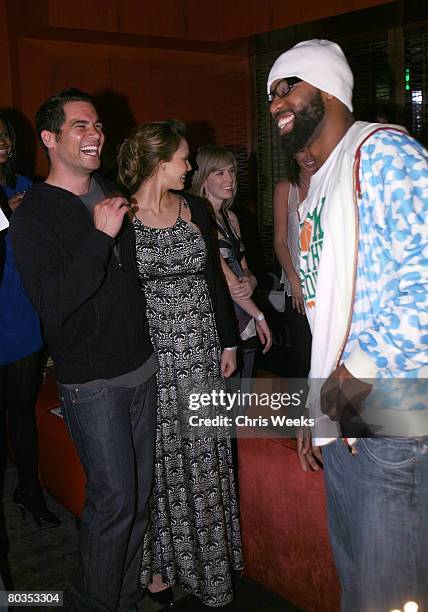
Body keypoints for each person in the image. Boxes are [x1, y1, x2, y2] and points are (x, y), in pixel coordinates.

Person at [267, 39, 428, 611]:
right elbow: (330, 316)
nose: (275, 101)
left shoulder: (385, 155)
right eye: (271, 92)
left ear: (329, 86)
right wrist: (323, 406)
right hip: (344, 405)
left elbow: (423, 289)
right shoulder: (321, 183)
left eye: (289, 84)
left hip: (392, 405)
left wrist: (341, 387)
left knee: (388, 597)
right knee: (359, 590)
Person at [10, 89, 157, 612]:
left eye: (96, 124)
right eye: (79, 125)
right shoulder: (34, 217)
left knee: (139, 501)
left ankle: (123, 596)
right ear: (50, 138)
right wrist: (99, 237)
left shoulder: (109, 189)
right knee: (113, 501)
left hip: (141, 366)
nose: (94, 133)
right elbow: (52, 303)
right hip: (93, 381)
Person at [117, 120, 243, 608]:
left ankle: (210, 567)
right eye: (184, 159)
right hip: (153, 358)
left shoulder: (193, 209)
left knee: (206, 459)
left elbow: (214, 277)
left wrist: (229, 343)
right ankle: (159, 570)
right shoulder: (121, 217)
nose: (190, 167)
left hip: (203, 348)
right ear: (158, 161)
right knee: (160, 465)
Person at [0, 112, 59, 528]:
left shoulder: (25, 186)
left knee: (21, 409)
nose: (0, 142)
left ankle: (29, 489)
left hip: (20, 308)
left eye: (3, 135)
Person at [191, 144, 272, 380]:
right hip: (219, 320)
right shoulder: (198, 218)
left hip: (242, 316)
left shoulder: (231, 217)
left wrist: (251, 281)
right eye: (220, 173)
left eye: (232, 171)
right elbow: (226, 280)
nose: (230, 179)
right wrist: (259, 315)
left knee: (242, 399)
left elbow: (244, 270)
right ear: (203, 179)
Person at [273, 148, 315, 378]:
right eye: (300, 150)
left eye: (312, 147)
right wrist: (293, 278)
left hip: (330, 286)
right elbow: (280, 242)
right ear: (292, 155)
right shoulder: (285, 189)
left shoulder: (332, 184)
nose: (308, 155)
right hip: (298, 285)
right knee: (303, 356)